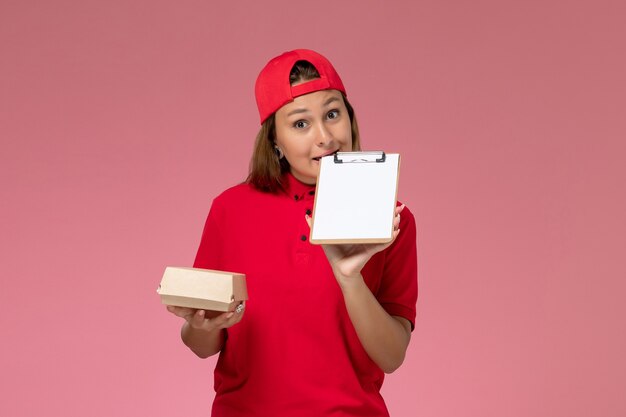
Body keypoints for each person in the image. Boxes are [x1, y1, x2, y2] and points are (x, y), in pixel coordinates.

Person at [167, 49, 418, 417]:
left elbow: (392, 356)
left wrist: (350, 279)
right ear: (274, 141)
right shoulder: (230, 210)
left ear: (349, 118)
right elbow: (203, 345)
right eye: (301, 124)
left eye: (333, 114)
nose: (324, 137)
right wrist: (200, 323)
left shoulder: (392, 218)